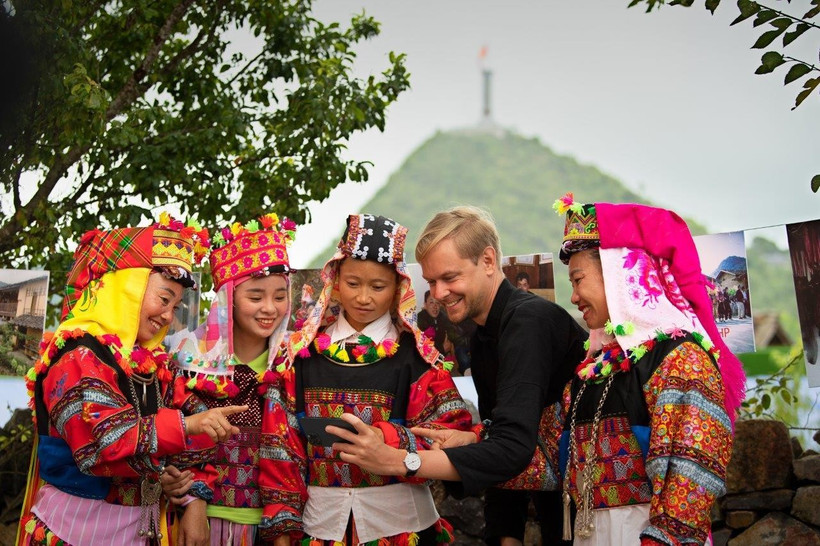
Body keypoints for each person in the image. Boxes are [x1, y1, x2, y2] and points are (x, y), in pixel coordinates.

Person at [331, 206, 588, 546]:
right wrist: (504, 534)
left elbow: (512, 448)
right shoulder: (482, 337)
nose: (438, 293)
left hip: (584, 515)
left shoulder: (528, 321)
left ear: (487, 260)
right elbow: (505, 439)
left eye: (449, 278)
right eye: (431, 281)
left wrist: (402, 460)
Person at [18, 215, 247, 546]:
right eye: (163, 299)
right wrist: (188, 428)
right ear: (127, 287)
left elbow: (189, 423)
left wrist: (189, 491)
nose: (169, 315)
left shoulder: (152, 365)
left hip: (136, 530)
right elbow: (103, 441)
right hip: (76, 530)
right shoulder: (76, 356)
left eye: (176, 305)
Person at [263, 213, 473, 544]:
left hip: (401, 528)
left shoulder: (419, 359)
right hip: (320, 528)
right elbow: (280, 445)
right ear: (333, 282)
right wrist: (282, 529)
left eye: (378, 286)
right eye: (352, 283)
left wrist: (389, 440)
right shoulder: (300, 357)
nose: (363, 298)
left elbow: (453, 439)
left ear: (397, 290)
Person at [553, 194, 745, 545]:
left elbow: (694, 472)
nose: (574, 297)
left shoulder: (680, 359)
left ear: (617, 277)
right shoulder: (593, 368)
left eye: (578, 280)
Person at [163, 213, 297, 545]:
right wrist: (192, 507)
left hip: (278, 529)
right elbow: (173, 433)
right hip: (203, 525)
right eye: (255, 296)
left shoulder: (294, 360)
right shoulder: (188, 356)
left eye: (280, 296)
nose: (269, 308)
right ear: (228, 297)